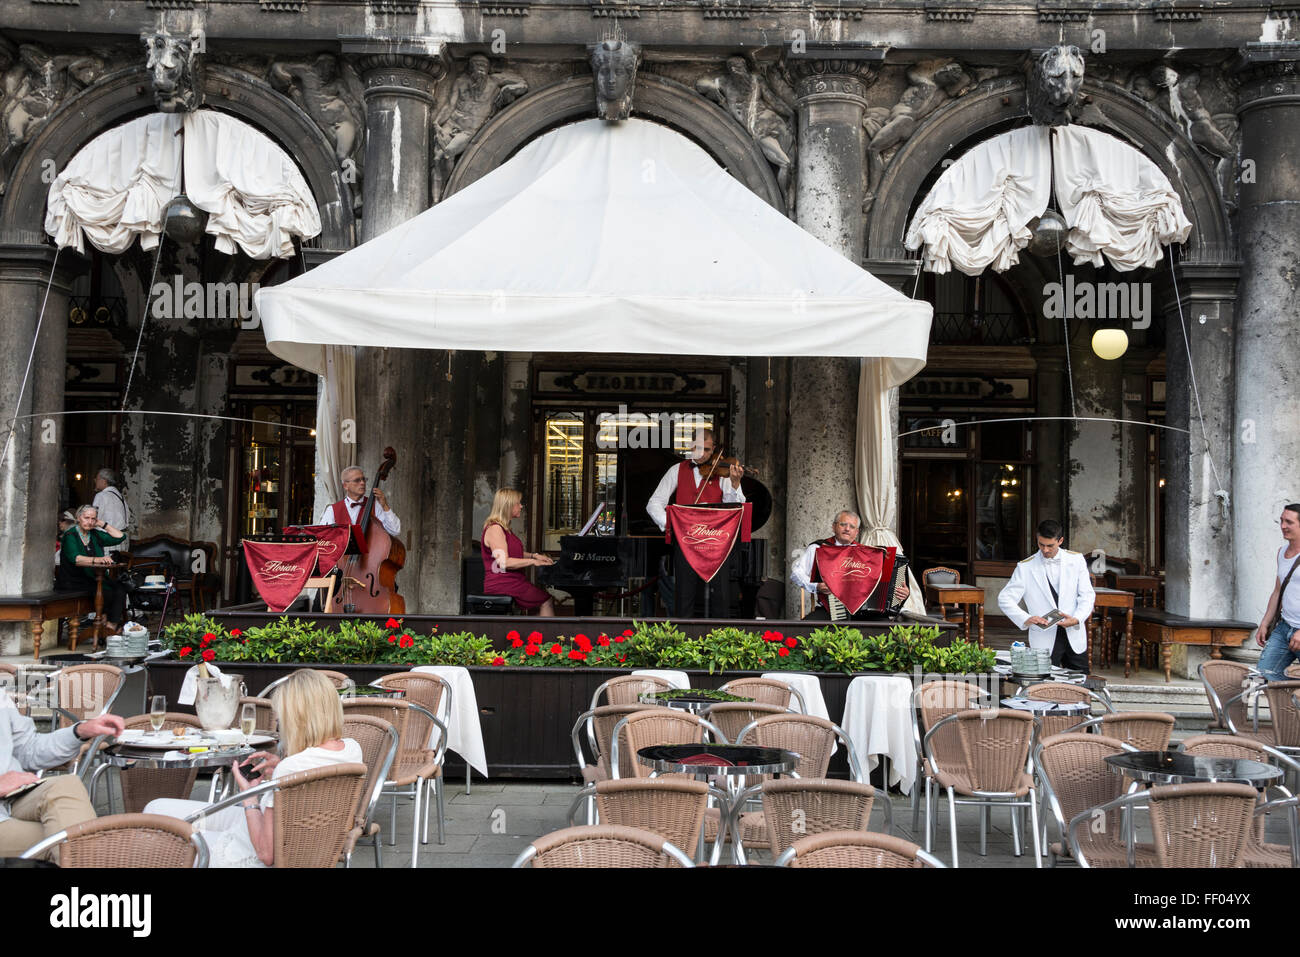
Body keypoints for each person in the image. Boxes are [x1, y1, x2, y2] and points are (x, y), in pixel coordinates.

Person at [146, 669, 363, 867]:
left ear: (298, 720)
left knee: (161, 836)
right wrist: (280, 769)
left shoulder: (291, 768)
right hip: (286, 837)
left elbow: (266, 853)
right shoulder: (352, 750)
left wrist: (249, 796)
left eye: (282, 717)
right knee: (156, 808)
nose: (279, 722)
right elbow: (315, 777)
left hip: (245, 853)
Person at [0, 698, 124, 861]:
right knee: (77, 843)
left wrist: (79, 732)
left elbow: (28, 749)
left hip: (14, 797)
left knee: (67, 785)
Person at [646, 427, 746, 618]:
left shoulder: (723, 471)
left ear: (714, 449)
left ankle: (721, 640)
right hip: (686, 542)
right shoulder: (676, 470)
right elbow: (653, 504)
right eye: (698, 448)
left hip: (717, 543)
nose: (702, 454)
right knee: (684, 596)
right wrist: (672, 524)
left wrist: (735, 484)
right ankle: (684, 641)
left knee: (721, 596)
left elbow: (737, 506)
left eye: (707, 450)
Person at [998, 519, 1095, 672]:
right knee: (1044, 687)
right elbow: (1004, 598)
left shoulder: (1076, 560)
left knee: (1082, 684)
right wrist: (1025, 618)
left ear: (1060, 541)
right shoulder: (1025, 567)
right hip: (1043, 637)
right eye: (1041, 544)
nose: (1045, 550)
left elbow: (1087, 595)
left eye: (1050, 545)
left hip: (1074, 634)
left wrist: (1077, 618)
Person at [791, 509, 909, 619]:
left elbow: (888, 585)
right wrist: (816, 586)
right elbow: (796, 573)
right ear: (834, 527)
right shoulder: (819, 548)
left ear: (856, 532)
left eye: (852, 526)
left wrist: (901, 593)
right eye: (843, 524)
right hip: (830, 611)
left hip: (867, 613)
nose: (847, 529)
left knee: (888, 631)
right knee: (804, 630)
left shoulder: (870, 554)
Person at [481, 488, 555, 616]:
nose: (521, 506)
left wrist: (534, 555)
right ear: (508, 506)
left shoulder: (504, 528)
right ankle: (545, 635)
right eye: (518, 503)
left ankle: (535, 634)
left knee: (541, 602)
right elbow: (504, 562)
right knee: (546, 600)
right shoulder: (495, 529)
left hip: (512, 581)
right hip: (503, 583)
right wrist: (533, 562)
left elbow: (513, 552)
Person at [56, 504, 127, 635]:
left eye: (92, 518)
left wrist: (101, 524)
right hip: (74, 580)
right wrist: (98, 559)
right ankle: (103, 623)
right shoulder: (70, 535)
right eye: (86, 518)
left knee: (120, 588)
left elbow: (120, 536)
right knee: (106, 591)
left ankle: (110, 626)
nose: (89, 521)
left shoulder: (94, 534)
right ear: (78, 518)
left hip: (93, 578)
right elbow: (76, 558)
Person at [1255, 503, 1300, 682]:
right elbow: (1277, 591)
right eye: (1281, 521)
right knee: (1265, 675)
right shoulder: (1282, 552)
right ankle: (1286, 710)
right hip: (1284, 628)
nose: (1283, 526)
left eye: (1289, 522)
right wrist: (1265, 623)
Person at [319, 465, 400, 536]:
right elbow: (323, 537)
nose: (362, 483)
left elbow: (395, 530)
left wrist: (385, 505)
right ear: (345, 486)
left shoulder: (375, 506)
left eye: (363, 479)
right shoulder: (332, 510)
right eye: (357, 480)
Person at [91, 468, 130, 555]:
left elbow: (93, 519)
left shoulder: (101, 496)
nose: (95, 481)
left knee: (105, 567)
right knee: (119, 567)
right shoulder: (120, 497)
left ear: (104, 481)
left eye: (96, 479)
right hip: (123, 540)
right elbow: (128, 517)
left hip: (109, 541)